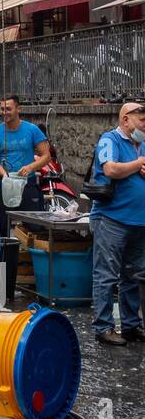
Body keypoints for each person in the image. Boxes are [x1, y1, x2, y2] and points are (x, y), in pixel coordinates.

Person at [87, 100, 145, 347]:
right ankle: (104, 327)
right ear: (126, 120)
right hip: (112, 218)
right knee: (106, 275)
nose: (144, 125)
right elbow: (110, 169)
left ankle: (132, 325)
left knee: (133, 276)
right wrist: (139, 164)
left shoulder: (141, 144)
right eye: (141, 120)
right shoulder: (110, 140)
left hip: (139, 221)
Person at [0, 95, 49, 234]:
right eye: (2, 109)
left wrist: (30, 167)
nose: (4, 112)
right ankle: (4, 254)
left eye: (8, 109)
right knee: (1, 228)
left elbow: (46, 156)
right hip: (5, 184)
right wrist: (5, 175)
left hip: (28, 183)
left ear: (18, 109)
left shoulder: (32, 129)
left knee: (35, 228)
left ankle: (33, 255)